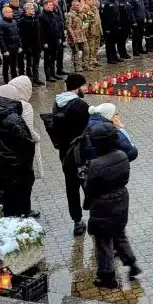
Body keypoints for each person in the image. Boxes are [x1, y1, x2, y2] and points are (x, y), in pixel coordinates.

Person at [85, 120, 142, 289]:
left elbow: (90, 188)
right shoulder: (123, 156)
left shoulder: (96, 164)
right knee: (119, 234)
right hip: (121, 200)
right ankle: (132, 264)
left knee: (103, 241)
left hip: (103, 205)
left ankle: (107, 277)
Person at [50, 74, 91, 236]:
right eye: (84, 86)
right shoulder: (80, 105)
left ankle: (77, 221)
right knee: (89, 185)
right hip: (81, 152)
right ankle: (95, 216)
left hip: (65, 153)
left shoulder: (57, 103)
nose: (85, 89)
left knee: (71, 188)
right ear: (78, 87)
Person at [0, 75, 43, 217]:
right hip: (23, 151)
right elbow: (29, 131)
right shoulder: (25, 107)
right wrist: (38, 138)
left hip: (4, 151)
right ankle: (25, 209)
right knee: (26, 181)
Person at [39, 0, 66, 81]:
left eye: (51, 5)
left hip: (55, 39)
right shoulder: (42, 16)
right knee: (47, 59)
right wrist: (44, 42)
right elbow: (41, 32)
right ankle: (48, 76)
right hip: (48, 41)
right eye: (49, 6)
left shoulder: (53, 14)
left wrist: (59, 37)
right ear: (45, 6)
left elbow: (57, 26)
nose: (51, 7)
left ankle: (53, 73)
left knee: (53, 58)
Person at [19, 2, 44, 86]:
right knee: (29, 63)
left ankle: (36, 78)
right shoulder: (22, 20)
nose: (33, 10)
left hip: (37, 45)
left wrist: (40, 44)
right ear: (26, 10)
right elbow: (22, 35)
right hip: (28, 45)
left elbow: (40, 33)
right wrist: (26, 46)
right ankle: (30, 80)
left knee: (36, 63)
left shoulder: (36, 19)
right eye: (31, 9)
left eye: (33, 9)